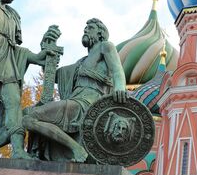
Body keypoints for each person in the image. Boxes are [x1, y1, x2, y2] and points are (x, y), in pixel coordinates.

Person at [15, 17, 127, 162]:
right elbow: (52, 76)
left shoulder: (105, 47)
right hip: (75, 101)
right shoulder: (80, 63)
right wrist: (47, 48)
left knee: (30, 118)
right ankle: (73, 148)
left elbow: (117, 70)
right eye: (85, 28)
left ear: (100, 33)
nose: (85, 30)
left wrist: (120, 88)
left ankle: (77, 150)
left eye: (90, 28)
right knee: (26, 114)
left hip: (88, 103)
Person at [0, 0, 61, 158]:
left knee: (14, 104)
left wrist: (40, 55)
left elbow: (15, 49)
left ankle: (17, 152)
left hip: (6, 63)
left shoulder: (13, 15)